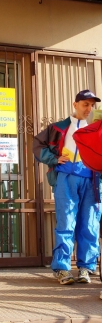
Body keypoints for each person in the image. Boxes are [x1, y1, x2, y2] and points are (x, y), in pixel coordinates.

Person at [33, 89, 102, 285]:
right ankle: (62, 269)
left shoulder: (98, 126)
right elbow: (37, 145)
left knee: (90, 224)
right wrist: (53, 158)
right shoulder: (59, 127)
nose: (89, 108)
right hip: (66, 177)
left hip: (93, 179)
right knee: (66, 223)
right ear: (75, 105)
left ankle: (86, 268)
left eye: (91, 105)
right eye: (85, 104)